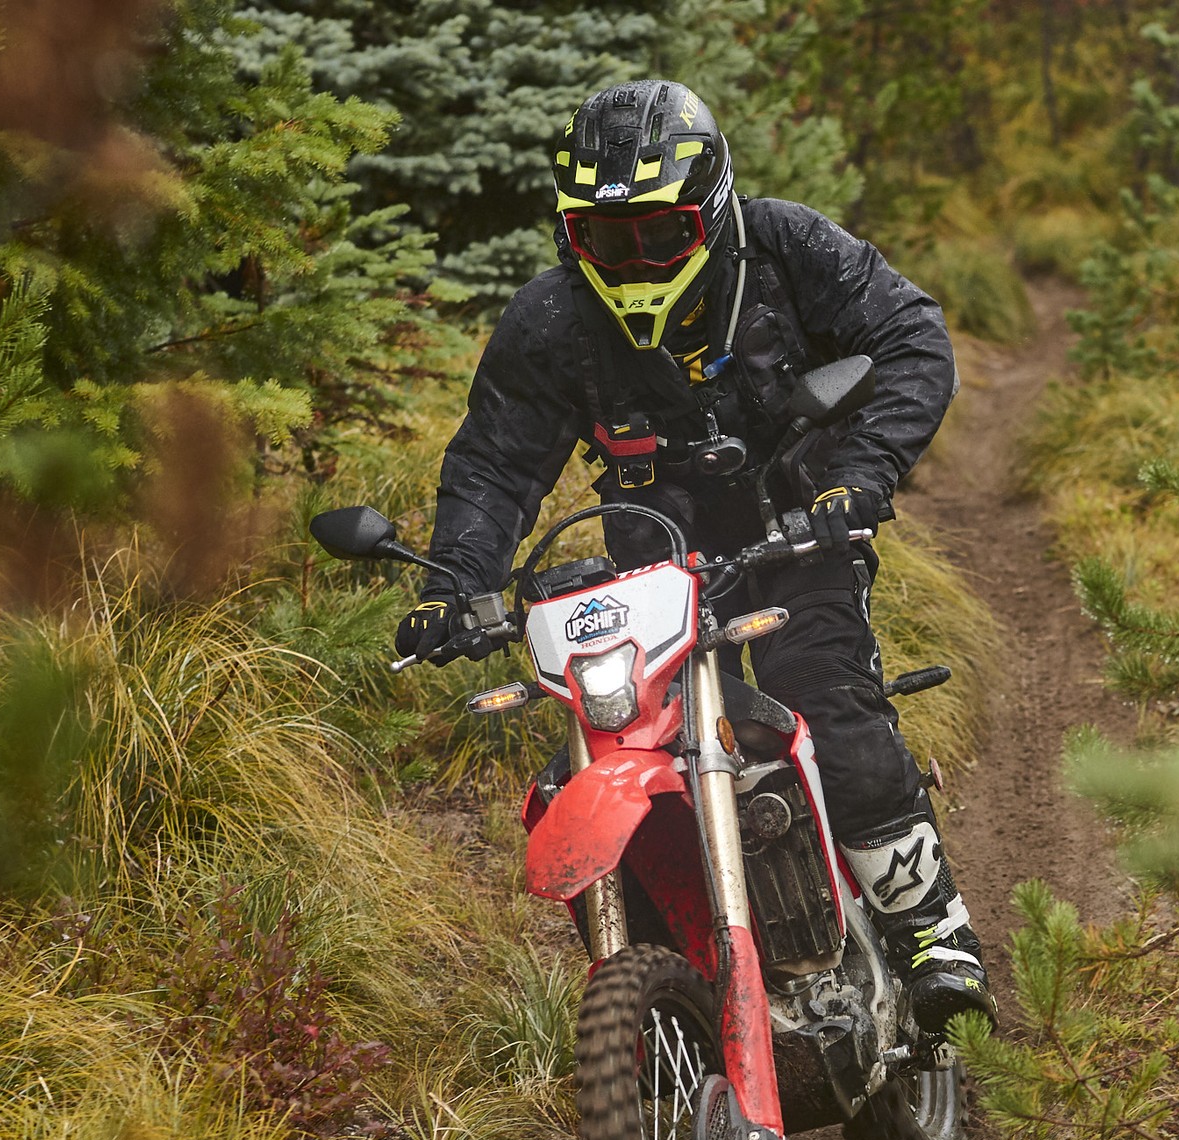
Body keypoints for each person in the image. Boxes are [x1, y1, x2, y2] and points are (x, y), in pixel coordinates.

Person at [400, 77, 991, 1032]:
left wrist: (860, 478)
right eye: (605, 239)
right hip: (649, 560)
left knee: (823, 697)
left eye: (659, 235)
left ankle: (932, 930)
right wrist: (455, 585)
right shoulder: (551, 320)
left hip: (797, 525)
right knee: (616, 743)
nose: (633, 260)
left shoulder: (787, 247)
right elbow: (495, 463)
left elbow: (912, 337)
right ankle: (674, 984)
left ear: (710, 210)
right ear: (570, 234)